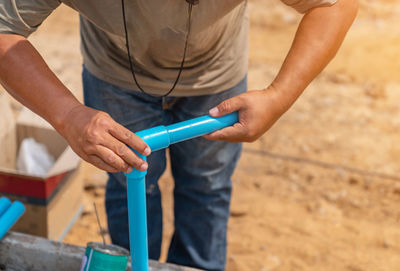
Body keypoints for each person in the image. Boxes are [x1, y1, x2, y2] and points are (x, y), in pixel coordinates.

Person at [0, 0, 358, 270]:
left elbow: (334, 4)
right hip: (115, 76)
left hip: (216, 77)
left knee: (207, 185)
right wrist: (68, 115)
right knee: (130, 185)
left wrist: (279, 96)